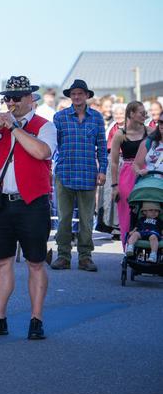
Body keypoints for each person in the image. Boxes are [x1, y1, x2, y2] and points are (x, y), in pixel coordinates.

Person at [0, 75, 57, 341]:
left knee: (35, 262)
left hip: (32, 203)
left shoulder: (45, 125)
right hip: (2, 202)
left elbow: (42, 152)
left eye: (16, 97)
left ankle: (36, 319)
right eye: (7, 98)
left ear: (31, 98)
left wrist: (15, 128)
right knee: (2, 261)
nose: (11, 102)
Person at [50, 79, 107, 272]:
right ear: (70, 96)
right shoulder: (60, 117)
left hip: (88, 172)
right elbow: (52, 146)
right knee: (64, 218)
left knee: (86, 219)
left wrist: (103, 170)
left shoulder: (97, 118)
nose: (76, 97)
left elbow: (102, 147)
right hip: (65, 172)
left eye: (80, 93)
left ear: (87, 96)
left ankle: (85, 257)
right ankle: (63, 256)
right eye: (73, 94)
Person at [110, 101, 148, 248]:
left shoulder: (150, 132)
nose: (145, 115)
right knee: (126, 212)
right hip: (126, 173)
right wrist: (114, 186)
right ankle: (128, 248)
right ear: (131, 114)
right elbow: (113, 162)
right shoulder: (120, 134)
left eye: (145, 112)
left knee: (147, 208)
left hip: (146, 173)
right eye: (141, 112)